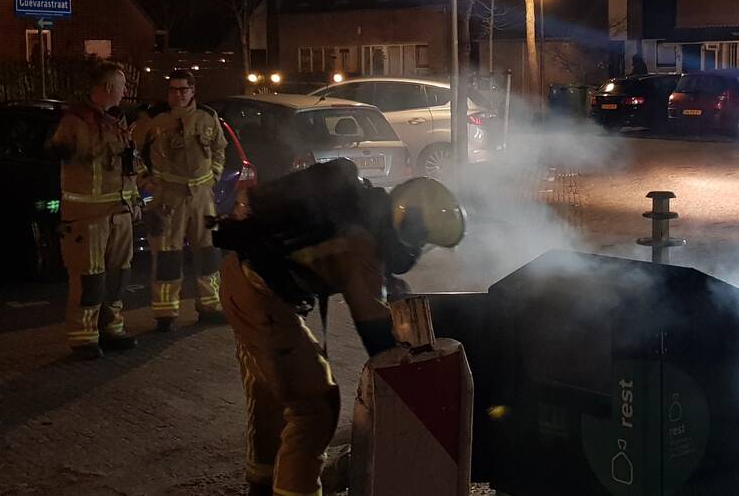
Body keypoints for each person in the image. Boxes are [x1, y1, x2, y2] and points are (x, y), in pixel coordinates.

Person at [214, 159, 464, 496]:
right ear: (407, 224)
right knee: (315, 405)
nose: (417, 250)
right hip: (259, 295)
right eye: (421, 240)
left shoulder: (363, 213)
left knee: (274, 389)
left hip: (242, 279)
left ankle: (263, 481)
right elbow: (370, 323)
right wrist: (408, 387)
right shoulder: (363, 242)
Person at [50, 62, 140, 360]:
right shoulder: (75, 121)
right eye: (122, 85)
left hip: (119, 212)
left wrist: (135, 201)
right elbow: (58, 151)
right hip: (88, 216)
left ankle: (111, 329)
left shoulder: (117, 121)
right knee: (90, 278)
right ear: (109, 88)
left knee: (118, 276)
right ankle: (83, 338)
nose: (126, 91)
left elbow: (129, 167)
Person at [135, 69, 228, 331]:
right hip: (168, 196)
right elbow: (133, 155)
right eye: (173, 90)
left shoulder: (208, 118)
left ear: (192, 91)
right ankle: (166, 313)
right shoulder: (155, 122)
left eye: (183, 89)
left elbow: (220, 149)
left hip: (202, 196)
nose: (178, 94)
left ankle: (210, 306)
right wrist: (146, 181)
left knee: (208, 252)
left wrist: (215, 175)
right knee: (167, 254)